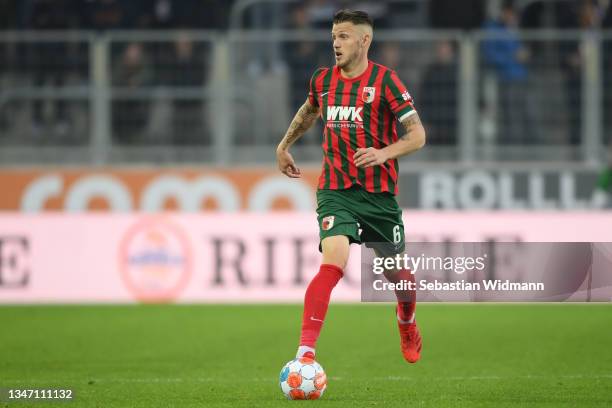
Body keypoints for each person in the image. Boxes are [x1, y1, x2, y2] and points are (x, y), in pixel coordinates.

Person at [276, 10, 426, 363]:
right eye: (333, 37)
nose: (335, 44)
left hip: (378, 195)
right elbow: (310, 110)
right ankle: (305, 354)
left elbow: (418, 135)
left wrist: (383, 153)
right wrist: (284, 145)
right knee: (333, 262)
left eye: (343, 36)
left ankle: (407, 321)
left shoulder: (387, 82)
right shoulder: (323, 80)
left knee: (398, 276)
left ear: (364, 40)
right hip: (335, 190)